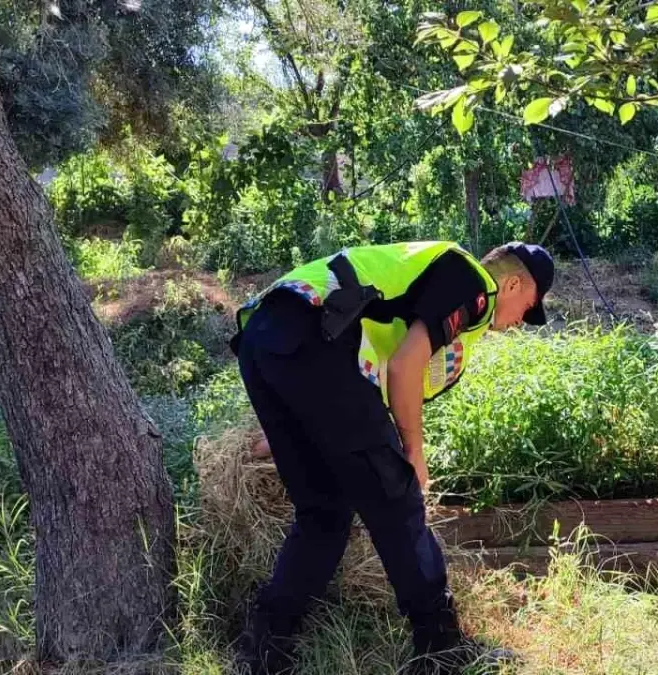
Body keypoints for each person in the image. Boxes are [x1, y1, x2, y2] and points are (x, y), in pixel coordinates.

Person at [229, 240, 554, 674]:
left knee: (323, 513)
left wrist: (288, 430)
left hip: (265, 339)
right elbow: (405, 367)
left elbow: (360, 389)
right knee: (397, 499)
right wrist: (413, 454)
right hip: (310, 341)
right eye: (528, 309)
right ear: (513, 284)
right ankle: (441, 649)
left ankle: (264, 647)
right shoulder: (472, 283)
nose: (519, 323)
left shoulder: (421, 277)